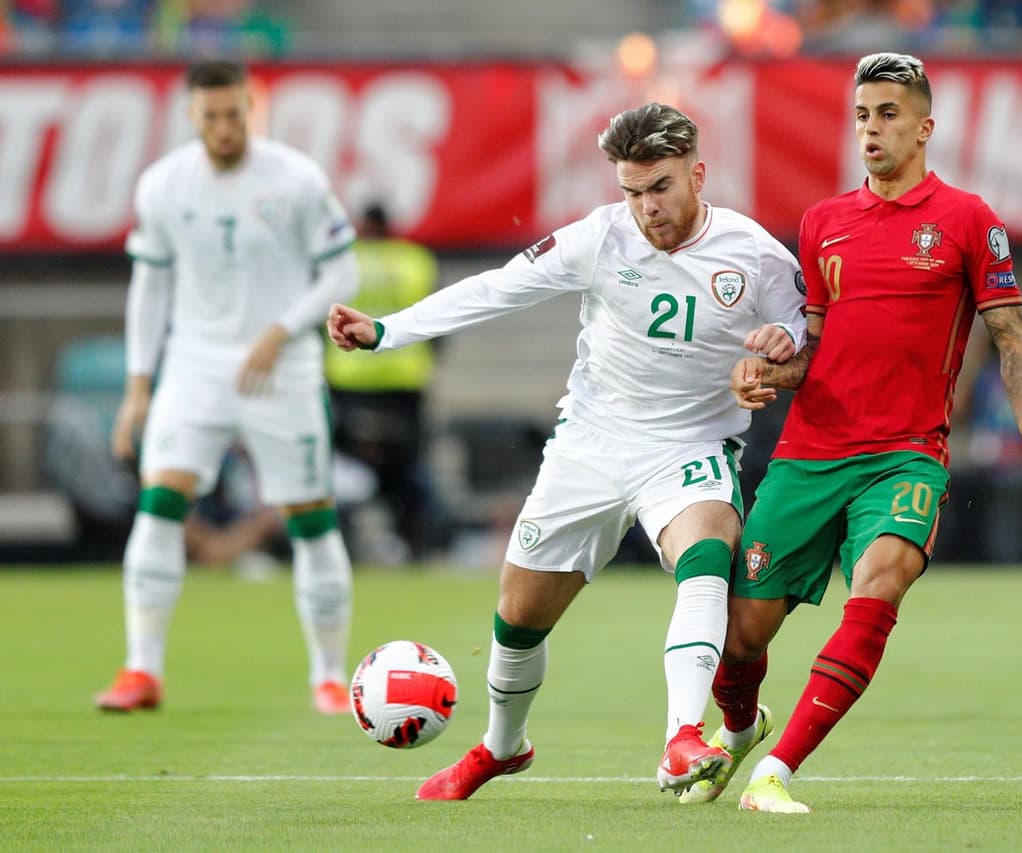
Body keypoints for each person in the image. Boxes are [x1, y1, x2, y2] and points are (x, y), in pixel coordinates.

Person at [327, 102, 807, 800]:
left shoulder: (758, 256)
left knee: (705, 554)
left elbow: (808, 338)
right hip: (590, 442)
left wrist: (778, 354)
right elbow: (497, 289)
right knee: (518, 615)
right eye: (633, 191)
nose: (647, 207)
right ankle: (502, 745)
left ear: (698, 174)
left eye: (661, 187)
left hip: (690, 447)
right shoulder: (601, 237)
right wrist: (388, 330)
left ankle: (681, 736)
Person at [677, 53, 1022, 814]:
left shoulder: (969, 219)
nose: (871, 128)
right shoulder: (822, 223)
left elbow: (1011, 334)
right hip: (810, 453)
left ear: (924, 126)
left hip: (905, 454)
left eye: (888, 114)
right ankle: (738, 733)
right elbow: (817, 349)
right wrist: (766, 372)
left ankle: (777, 773)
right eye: (862, 114)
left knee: (881, 583)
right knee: (742, 638)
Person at [94, 59, 361, 716]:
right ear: (191, 115)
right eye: (210, 116)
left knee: (311, 516)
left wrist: (282, 329)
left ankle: (328, 674)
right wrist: (138, 384)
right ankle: (141, 668)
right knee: (159, 501)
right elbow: (149, 286)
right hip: (196, 364)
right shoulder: (163, 185)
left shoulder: (296, 179)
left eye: (233, 114)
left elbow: (341, 274)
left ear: (251, 108)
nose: (223, 128)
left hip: (283, 366)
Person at [324, 203, 444, 561]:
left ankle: (344, 544)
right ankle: (414, 543)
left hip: (349, 379)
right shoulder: (414, 261)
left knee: (342, 468)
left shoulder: (343, 261)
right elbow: (437, 318)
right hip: (403, 382)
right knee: (408, 472)